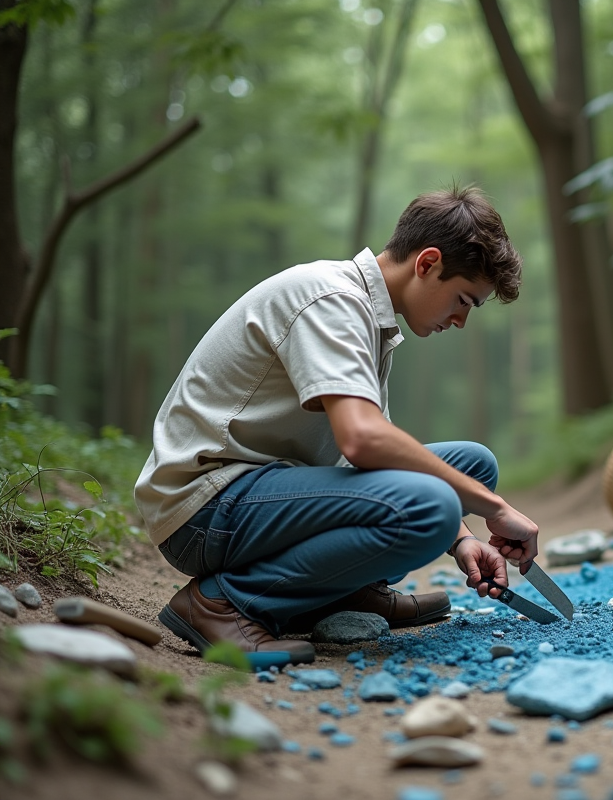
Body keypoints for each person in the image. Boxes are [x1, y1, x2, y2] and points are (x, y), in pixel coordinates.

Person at [135, 186, 538, 665]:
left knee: (472, 467)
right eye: (465, 300)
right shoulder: (331, 300)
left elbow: (367, 457)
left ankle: (338, 591)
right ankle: (223, 602)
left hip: (262, 494)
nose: (461, 320)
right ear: (427, 263)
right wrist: (492, 509)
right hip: (205, 507)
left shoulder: (370, 317)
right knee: (434, 503)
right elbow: (364, 442)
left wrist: (464, 539)